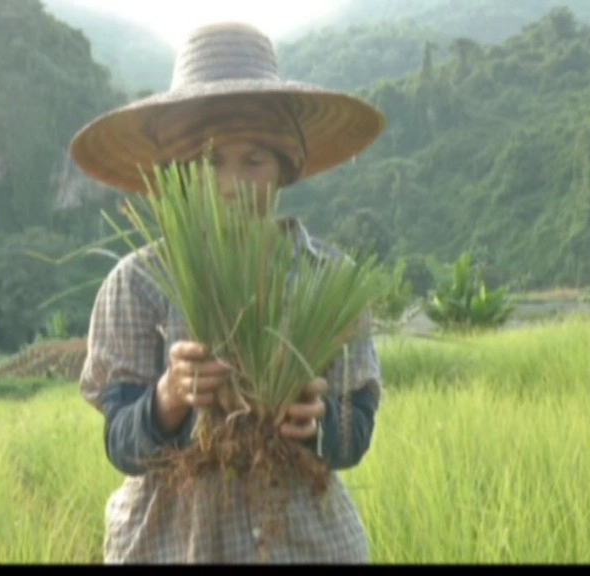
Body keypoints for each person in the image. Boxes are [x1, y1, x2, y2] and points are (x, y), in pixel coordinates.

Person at [70, 21, 387, 564]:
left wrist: (318, 421)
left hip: (307, 545)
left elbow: (354, 432)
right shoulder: (136, 283)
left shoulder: (329, 278)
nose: (230, 183)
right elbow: (121, 444)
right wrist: (169, 396)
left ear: (284, 169)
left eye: (254, 161)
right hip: (173, 546)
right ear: (179, 174)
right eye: (209, 161)